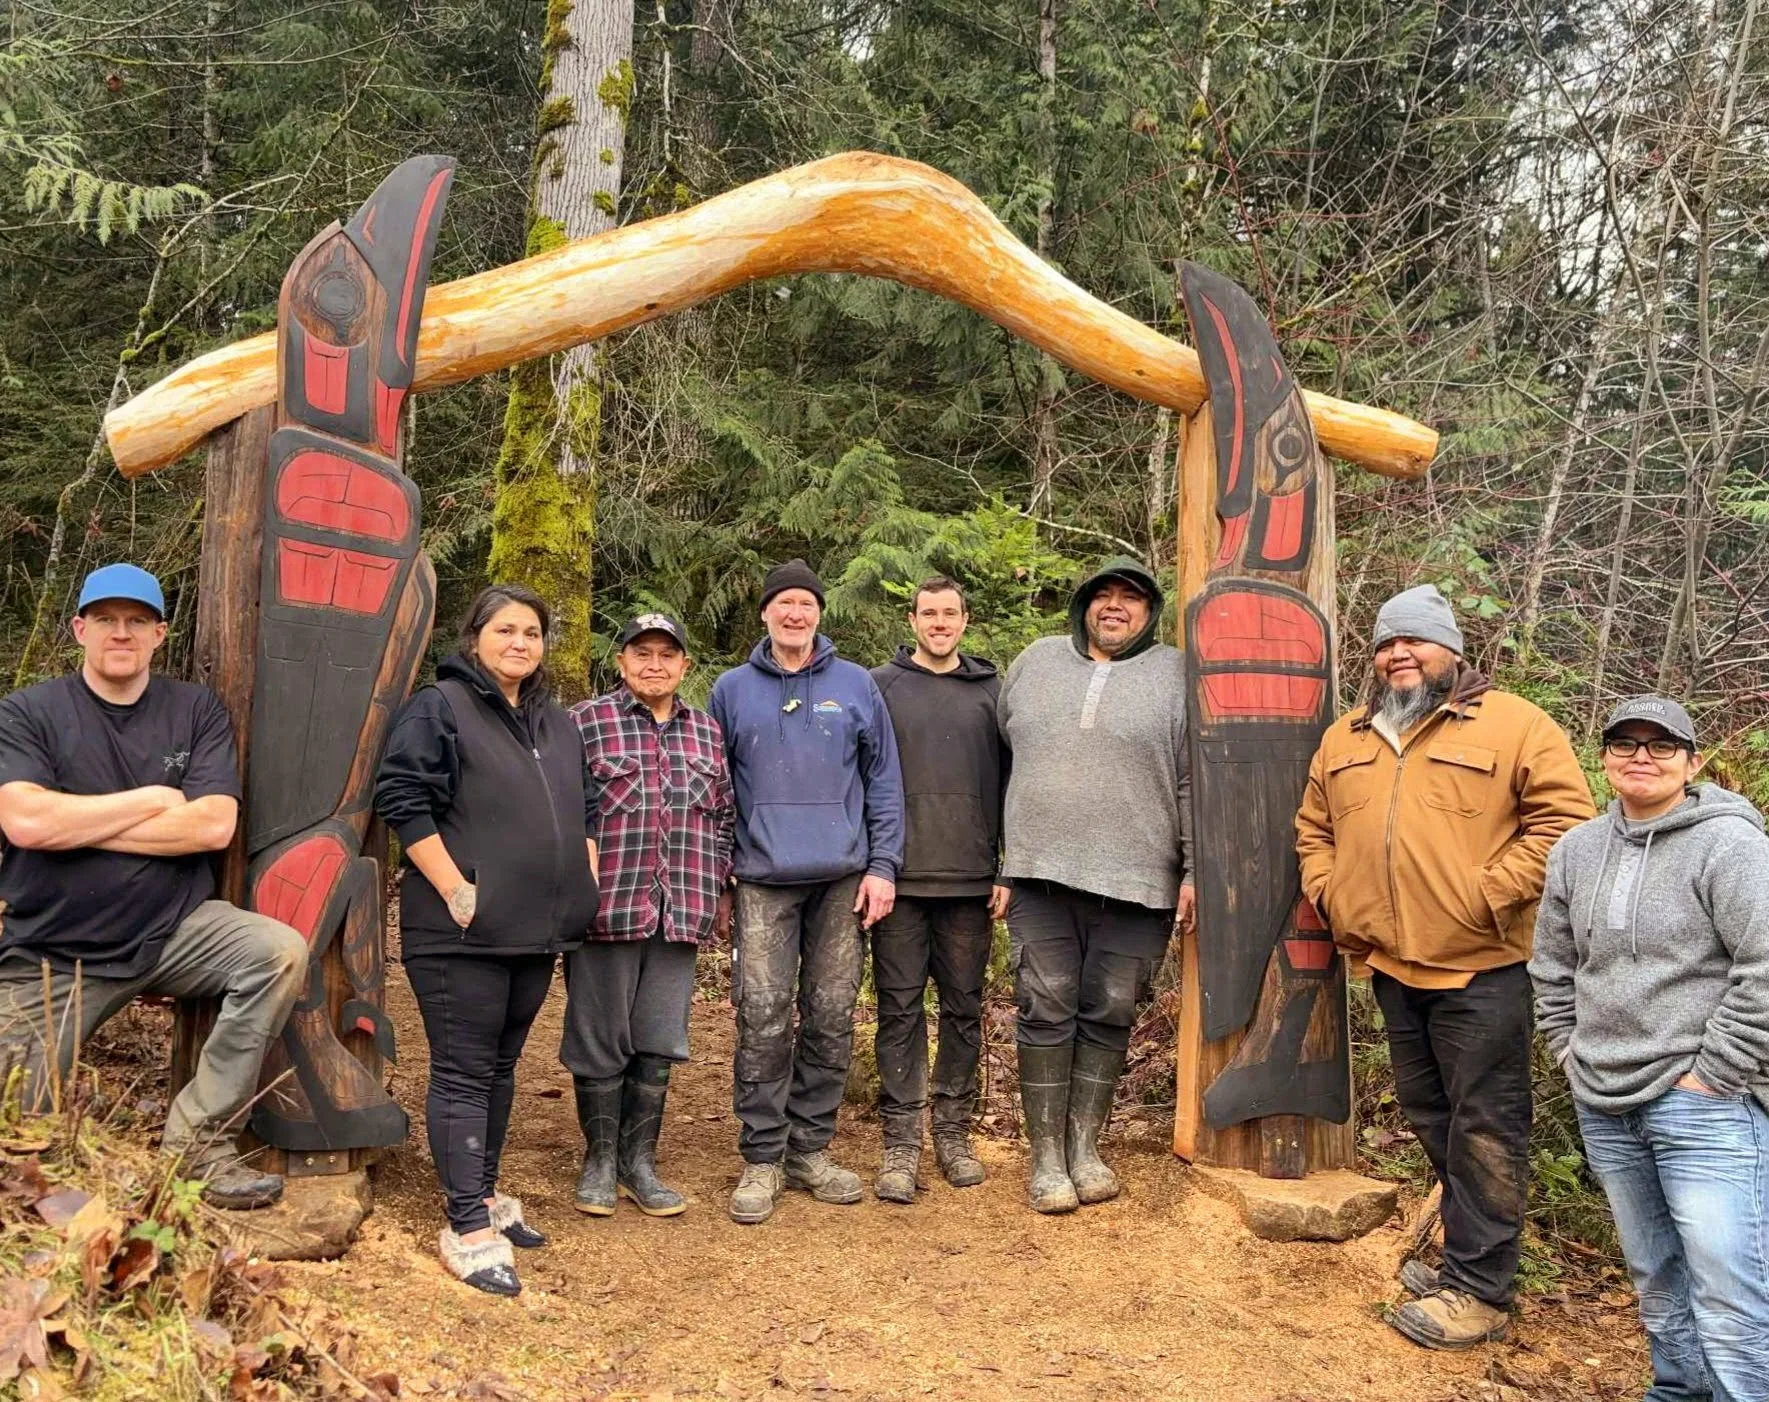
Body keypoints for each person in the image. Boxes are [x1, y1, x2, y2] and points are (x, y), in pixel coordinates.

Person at [1295, 583, 1593, 1349]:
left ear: (1452, 650)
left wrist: (1486, 892)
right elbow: (1313, 831)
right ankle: (1468, 1260)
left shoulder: (1515, 725)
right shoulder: (1347, 736)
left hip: (1482, 968)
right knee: (1433, 1120)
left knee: (1487, 1127)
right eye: (1386, 643)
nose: (1397, 654)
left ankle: (1481, 1294)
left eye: (1415, 641)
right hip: (1392, 965)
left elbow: (1565, 823)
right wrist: (1333, 896)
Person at [0, 563, 307, 1211]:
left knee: (276, 950)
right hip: (57, 953)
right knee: (16, 1129)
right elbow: (25, 821)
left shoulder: (193, 710)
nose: (121, 632)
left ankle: (196, 1141)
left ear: (159, 633)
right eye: (106, 620)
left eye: (136, 620)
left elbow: (211, 826)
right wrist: (149, 798)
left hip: (175, 929)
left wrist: (74, 820)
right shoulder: (29, 711)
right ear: (79, 628)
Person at [1532, 696, 1769, 1399]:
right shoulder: (1575, 851)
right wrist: (1565, 1050)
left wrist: (1714, 1072)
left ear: (1691, 762)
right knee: (1655, 1275)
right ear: (1603, 758)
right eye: (1624, 742)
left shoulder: (1730, 845)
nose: (1641, 755)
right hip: (1602, 1098)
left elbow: (1763, 964)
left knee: (1729, 1290)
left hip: (1703, 1104)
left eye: (1661, 745)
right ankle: (1677, 1389)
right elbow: (1551, 963)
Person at [374, 584, 598, 1298]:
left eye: (532, 632)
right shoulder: (440, 707)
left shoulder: (554, 721)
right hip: (460, 933)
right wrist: (454, 890)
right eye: (505, 630)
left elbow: (583, 808)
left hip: (536, 932)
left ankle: (488, 1192)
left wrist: (582, 883)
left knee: (500, 1068)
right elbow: (402, 799)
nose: (519, 643)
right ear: (476, 636)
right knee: (465, 1070)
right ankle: (466, 1224)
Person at [708, 559, 904, 1226]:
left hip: (842, 880)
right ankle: (762, 1155)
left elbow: (883, 782)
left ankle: (809, 1150)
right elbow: (715, 789)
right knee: (761, 1015)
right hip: (762, 879)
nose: (795, 613)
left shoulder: (855, 686)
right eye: (783, 603)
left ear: (820, 613)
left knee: (829, 1014)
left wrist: (884, 867)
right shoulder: (732, 690)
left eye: (806, 603)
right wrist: (720, 876)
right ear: (764, 613)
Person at [997, 557, 1193, 1215]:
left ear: (1149, 612)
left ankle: (1085, 1147)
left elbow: (1195, 778)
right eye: (1102, 595)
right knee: (1044, 1007)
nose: (1115, 606)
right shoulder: (1035, 661)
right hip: (1038, 873)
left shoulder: (1176, 676)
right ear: (1082, 603)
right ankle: (1046, 1159)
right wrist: (999, 860)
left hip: (1139, 880)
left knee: (1110, 1010)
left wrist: (1193, 869)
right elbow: (1001, 755)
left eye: (1130, 598)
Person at [564, 612, 735, 1219]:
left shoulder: (708, 734)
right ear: (621, 661)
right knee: (598, 1038)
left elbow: (722, 820)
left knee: (658, 1039)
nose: (654, 664)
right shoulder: (584, 723)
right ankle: (600, 1161)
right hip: (606, 904)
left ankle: (640, 1164)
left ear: (684, 665)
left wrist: (715, 892)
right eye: (642, 653)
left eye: (667, 654)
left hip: (680, 907)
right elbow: (561, 814)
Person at [868, 576, 1009, 1202]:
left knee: (964, 1009)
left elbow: (1014, 788)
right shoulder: (882, 687)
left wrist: (1007, 868)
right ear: (913, 619)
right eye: (929, 613)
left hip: (971, 882)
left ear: (965, 620)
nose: (940, 622)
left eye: (950, 613)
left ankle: (952, 1132)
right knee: (899, 1011)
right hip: (898, 880)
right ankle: (901, 1143)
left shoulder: (992, 694)